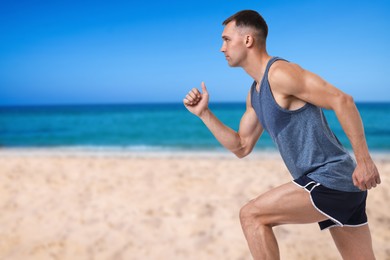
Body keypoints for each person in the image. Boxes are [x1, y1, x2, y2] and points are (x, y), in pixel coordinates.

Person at [183, 9, 381, 260]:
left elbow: (342, 100)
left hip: (330, 179)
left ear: (247, 40)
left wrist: (364, 160)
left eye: (226, 39)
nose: (222, 48)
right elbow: (242, 146)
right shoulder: (255, 93)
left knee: (251, 215)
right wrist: (204, 114)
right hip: (341, 186)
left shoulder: (280, 73)